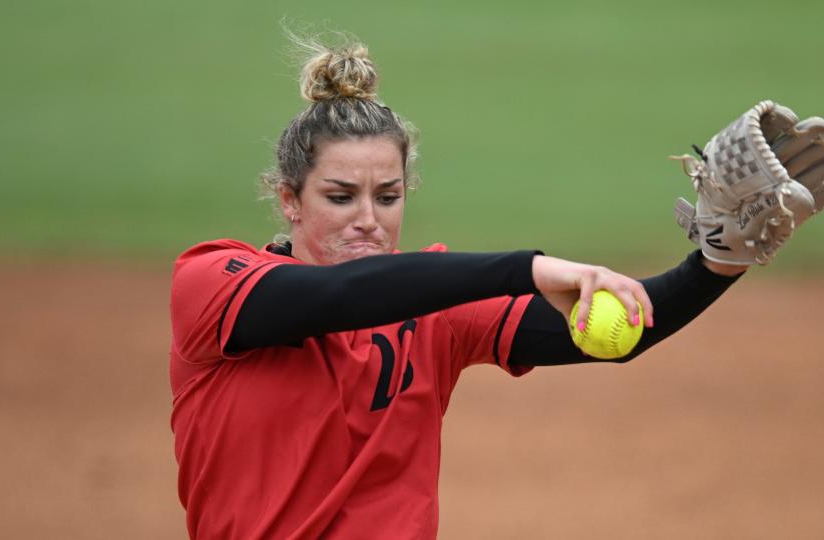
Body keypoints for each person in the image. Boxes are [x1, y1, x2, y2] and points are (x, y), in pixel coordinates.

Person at [168, 39, 749, 540]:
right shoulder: (211, 285)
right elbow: (339, 297)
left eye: (388, 196)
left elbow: (617, 330)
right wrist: (529, 269)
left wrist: (721, 260)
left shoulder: (435, 310)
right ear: (289, 200)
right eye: (341, 197)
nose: (368, 218)